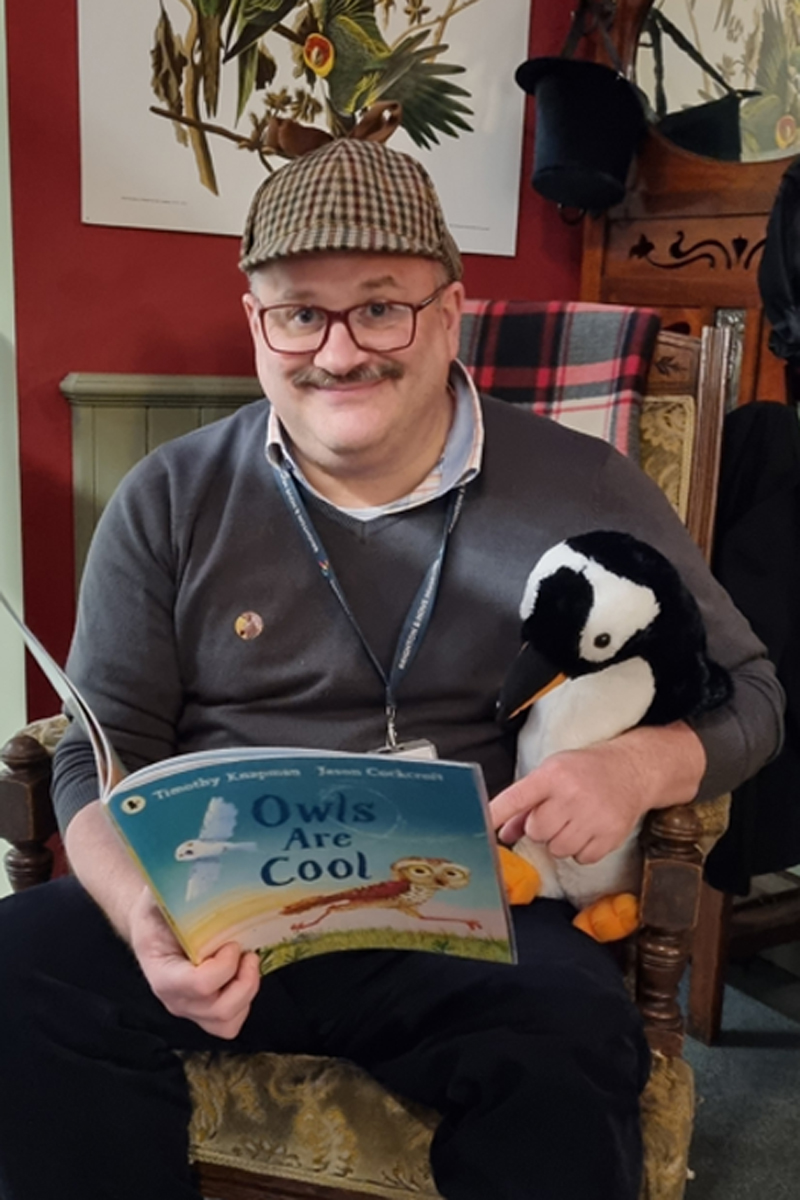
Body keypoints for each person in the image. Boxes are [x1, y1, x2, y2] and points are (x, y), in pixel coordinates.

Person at [0, 138, 783, 1200]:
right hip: (213, 906)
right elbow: (97, 757)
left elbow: (753, 695)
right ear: (255, 323)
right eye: (299, 314)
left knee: (570, 1048)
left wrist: (635, 768)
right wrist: (141, 915)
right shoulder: (168, 497)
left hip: (471, 911)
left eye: (380, 308)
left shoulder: (585, 484)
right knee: (16, 976)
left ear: (449, 313)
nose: (338, 353)